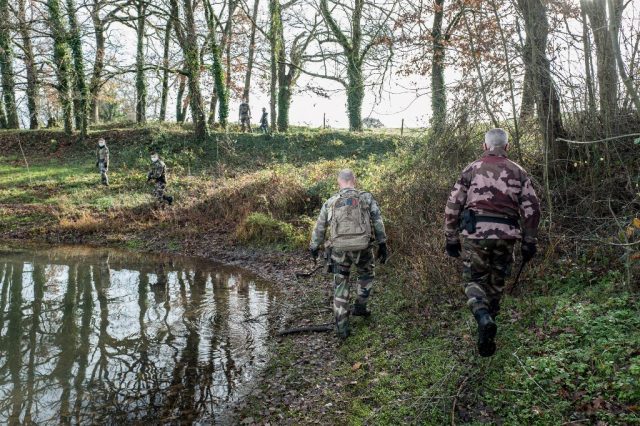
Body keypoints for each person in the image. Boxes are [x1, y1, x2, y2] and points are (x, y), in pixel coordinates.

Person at [444, 128, 540, 357]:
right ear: (506, 147)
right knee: (496, 283)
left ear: (485, 146)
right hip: (506, 236)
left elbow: (453, 204)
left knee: (473, 281)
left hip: (476, 234)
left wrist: (451, 237)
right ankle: (487, 333)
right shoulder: (518, 171)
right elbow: (532, 209)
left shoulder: (471, 169)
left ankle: (482, 316)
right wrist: (529, 240)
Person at [309, 169, 388, 339]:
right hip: (363, 247)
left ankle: (342, 328)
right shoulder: (366, 198)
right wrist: (382, 243)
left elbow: (320, 226)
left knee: (341, 283)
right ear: (354, 179)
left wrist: (314, 246)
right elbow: (377, 221)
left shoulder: (331, 201)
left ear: (339, 181)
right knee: (366, 275)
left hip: (339, 249)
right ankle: (360, 307)